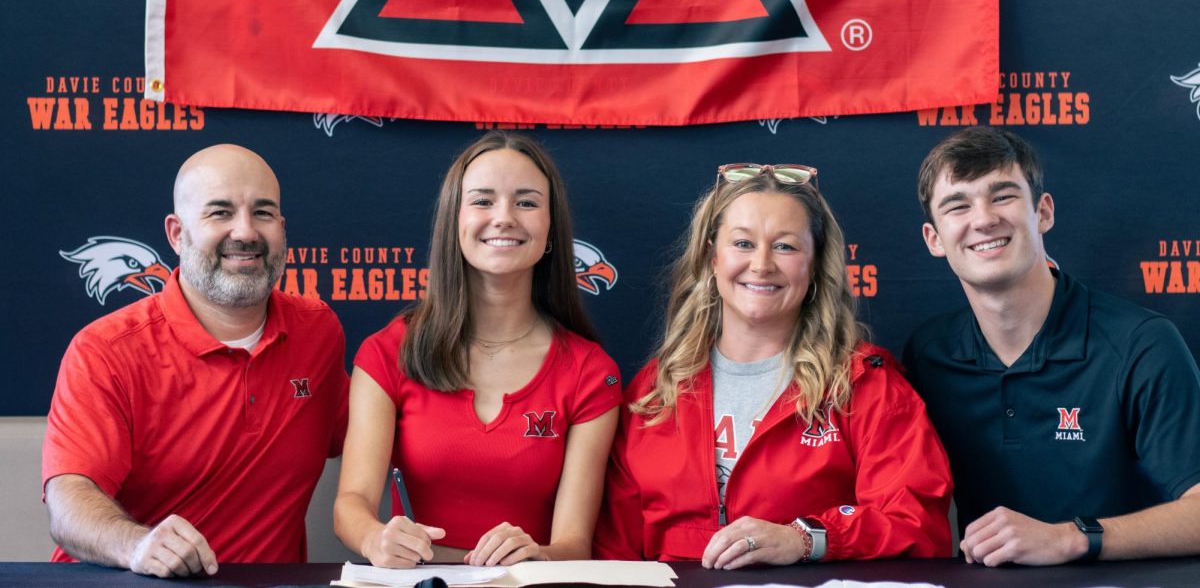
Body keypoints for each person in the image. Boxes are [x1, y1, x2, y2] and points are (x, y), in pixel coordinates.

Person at [595, 163, 952, 567]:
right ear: (712, 258)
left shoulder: (863, 384)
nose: (762, 264)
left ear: (814, 265)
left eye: (785, 246)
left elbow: (916, 524)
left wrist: (806, 538)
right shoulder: (652, 393)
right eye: (743, 244)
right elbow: (613, 553)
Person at [42, 144, 349, 578]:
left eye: (262, 213)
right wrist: (137, 545)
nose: (245, 232)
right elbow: (69, 501)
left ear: (282, 228)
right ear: (176, 233)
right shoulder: (106, 350)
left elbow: (381, 437)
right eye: (220, 213)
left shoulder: (317, 332)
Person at [904, 126, 1200, 566]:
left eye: (1002, 196)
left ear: (1043, 212)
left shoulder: (1141, 345)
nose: (983, 219)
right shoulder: (928, 354)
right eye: (958, 205)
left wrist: (1071, 538)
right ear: (934, 239)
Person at [334, 132, 620, 568]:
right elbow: (350, 505)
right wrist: (375, 539)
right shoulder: (388, 352)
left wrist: (538, 555)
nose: (503, 217)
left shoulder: (590, 371)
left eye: (526, 202)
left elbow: (572, 546)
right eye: (483, 201)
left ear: (550, 232)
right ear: (454, 221)